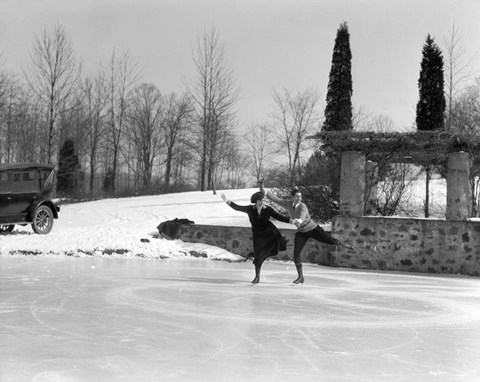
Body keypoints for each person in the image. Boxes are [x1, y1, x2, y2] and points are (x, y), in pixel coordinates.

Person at [259, 181, 354, 284]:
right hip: (301, 232)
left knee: (330, 240)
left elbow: (303, 215)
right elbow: (275, 199)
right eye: (296, 196)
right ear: (292, 197)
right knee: (296, 254)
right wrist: (261, 187)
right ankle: (300, 277)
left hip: (313, 229)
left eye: (300, 197)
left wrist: (299, 221)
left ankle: (346, 245)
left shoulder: (303, 206)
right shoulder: (287, 204)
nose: (299, 198)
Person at [220, 191, 292, 284]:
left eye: (262, 200)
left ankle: (281, 242)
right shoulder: (250, 209)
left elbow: (279, 217)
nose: (261, 202)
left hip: (269, 233)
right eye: (259, 201)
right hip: (258, 236)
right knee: (258, 256)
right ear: (255, 202)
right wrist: (227, 200)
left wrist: (291, 221)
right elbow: (237, 207)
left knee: (277, 243)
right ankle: (257, 277)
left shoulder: (268, 209)